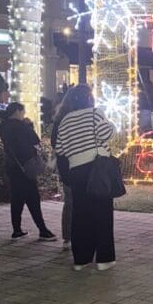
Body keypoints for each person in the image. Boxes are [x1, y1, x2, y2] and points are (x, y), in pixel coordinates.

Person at [54, 84, 117, 272]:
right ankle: (104, 259)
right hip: (96, 168)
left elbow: (60, 149)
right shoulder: (95, 113)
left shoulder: (64, 120)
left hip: (76, 171)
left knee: (81, 215)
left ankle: (81, 259)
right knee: (103, 213)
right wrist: (112, 124)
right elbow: (107, 134)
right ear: (89, 98)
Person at [0, 103, 57, 241]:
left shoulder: (4, 126)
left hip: (12, 166)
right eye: (23, 112)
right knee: (33, 198)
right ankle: (42, 230)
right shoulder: (22, 126)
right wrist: (29, 125)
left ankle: (17, 229)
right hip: (26, 166)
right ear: (18, 111)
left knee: (17, 198)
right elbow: (35, 140)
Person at [51, 90, 75, 251]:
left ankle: (68, 236)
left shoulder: (59, 119)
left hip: (64, 164)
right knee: (73, 200)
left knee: (69, 200)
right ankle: (71, 234)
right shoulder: (72, 120)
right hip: (72, 164)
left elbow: (55, 143)